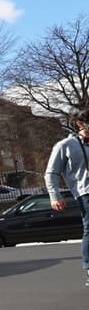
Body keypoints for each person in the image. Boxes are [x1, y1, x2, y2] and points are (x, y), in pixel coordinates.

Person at [45, 106, 89, 287]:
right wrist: (54, 196)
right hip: (86, 193)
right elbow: (51, 172)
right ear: (80, 123)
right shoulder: (66, 145)